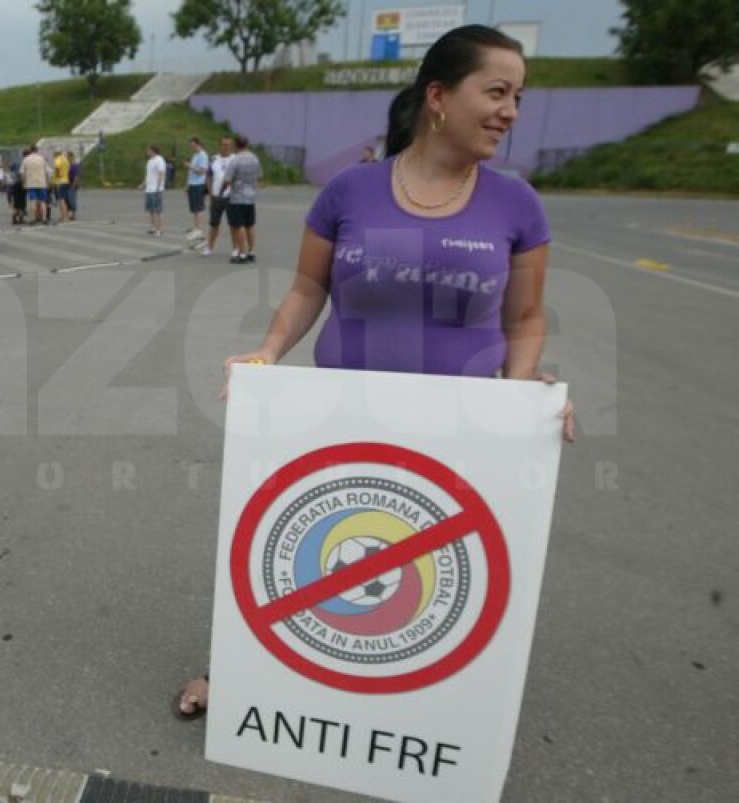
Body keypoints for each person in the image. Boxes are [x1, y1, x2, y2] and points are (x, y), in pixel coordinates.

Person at [174, 24, 575, 721]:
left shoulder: (517, 204)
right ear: (439, 97)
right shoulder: (350, 192)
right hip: (340, 423)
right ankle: (242, 666)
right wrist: (267, 353)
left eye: (519, 97)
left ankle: (421, 707)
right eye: (497, 92)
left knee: (433, 569)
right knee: (304, 548)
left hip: (460, 430)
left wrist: (521, 393)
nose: (511, 111)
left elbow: (527, 317)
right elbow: (308, 288)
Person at [221, 135, 261, 264]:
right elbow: (259, 176)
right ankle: (251, 251)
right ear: (247, 144)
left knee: (239, 226)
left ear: (236, 145)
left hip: (237, 196)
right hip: (251, 196)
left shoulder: (235, 160)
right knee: (250, 225)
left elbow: (227, 180)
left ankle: (242, 253)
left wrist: (225, 186)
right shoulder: (255, 158)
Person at [203, 135, 234, 258]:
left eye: (228, 145)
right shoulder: (213, 159)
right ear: (220, 145)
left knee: (234, 225)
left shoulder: (235, 159)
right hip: (216, 197)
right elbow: (208, 177)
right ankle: (209, 248)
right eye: (224, 145)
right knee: (214, 224)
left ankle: (236, 248)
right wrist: (211, 193)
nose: (226, 147)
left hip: (231, 197)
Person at [185, 136, 209, 242]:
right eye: (191, 146)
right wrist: (188, 185)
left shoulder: (203, 155)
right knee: (194, 208)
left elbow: (202, 171)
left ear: (198, 144)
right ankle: (197, 229)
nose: (192, 147)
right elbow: (191, 172)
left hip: (199, 184)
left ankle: (200, 230)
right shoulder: (195, 155)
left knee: (199, 208)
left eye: (193, 145)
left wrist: (190, 166)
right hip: (192, 184)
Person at [140, 144, 166, 236]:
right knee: (151, 210)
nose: (147, 152)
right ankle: (153, 227)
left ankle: (159, 229)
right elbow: (148, 175)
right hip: (149, 189)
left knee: (158, 210)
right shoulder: (149, 161)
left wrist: (158, 187)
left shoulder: (159, 160)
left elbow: (161, 173)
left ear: (153, 150)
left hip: (156, 189)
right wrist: (143, 184)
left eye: (148, 150)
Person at [21, 145, 48, 225]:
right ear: (37, 150)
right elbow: (47, 171)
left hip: (31, 183)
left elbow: (22, 173)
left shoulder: (26, 159)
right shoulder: (41, 158)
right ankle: (44, 218)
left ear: (30, 150)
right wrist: (47, 181)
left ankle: (33, 219)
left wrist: (24, 182)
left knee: (33, 201)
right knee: (43, 201)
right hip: (41, 183)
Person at [52, 149, 70, 222]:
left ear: (56, 153)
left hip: (59, 181)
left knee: (61, 200)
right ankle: (64, 216)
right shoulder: (65, 159)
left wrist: (57, 176)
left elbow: (57, 168)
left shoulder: (57, 159)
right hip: (66, 180)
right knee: (63, 199)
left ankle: (64, 216)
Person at [66, 152, 80, 221]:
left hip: (72, 184)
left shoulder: (75, 166)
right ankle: (69, 214)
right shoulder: (68, 165)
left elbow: (76, 176)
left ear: (72, 157)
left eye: (68, 157)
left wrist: (73, 185)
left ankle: (73, 215)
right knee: (67, 200)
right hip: (67, 184)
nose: (67, 158)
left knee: (72, 200)